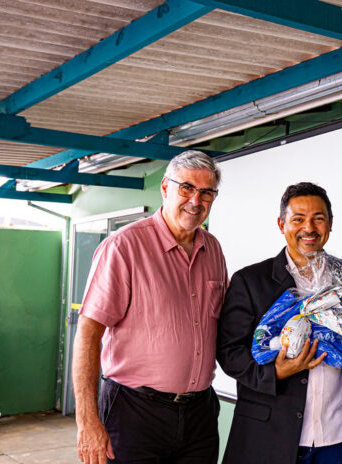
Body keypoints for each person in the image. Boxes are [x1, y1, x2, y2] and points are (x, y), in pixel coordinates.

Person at [72, 150, 227, 464]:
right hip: (134, 412)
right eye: (187, 188)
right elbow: (88, 334)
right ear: (165, 187)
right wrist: (87, 420)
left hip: (199, 414)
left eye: (206, 192)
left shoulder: (213, 249)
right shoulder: (124, 247)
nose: (196, 200)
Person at [217, 182, 342, 464]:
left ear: (330, 224)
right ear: (282, 225)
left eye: (318, 218)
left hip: (335, 436)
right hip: (269, 437)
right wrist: (275, 373)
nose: (309, 228)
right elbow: (229, 352)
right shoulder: (251, 281)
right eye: (298, 219)